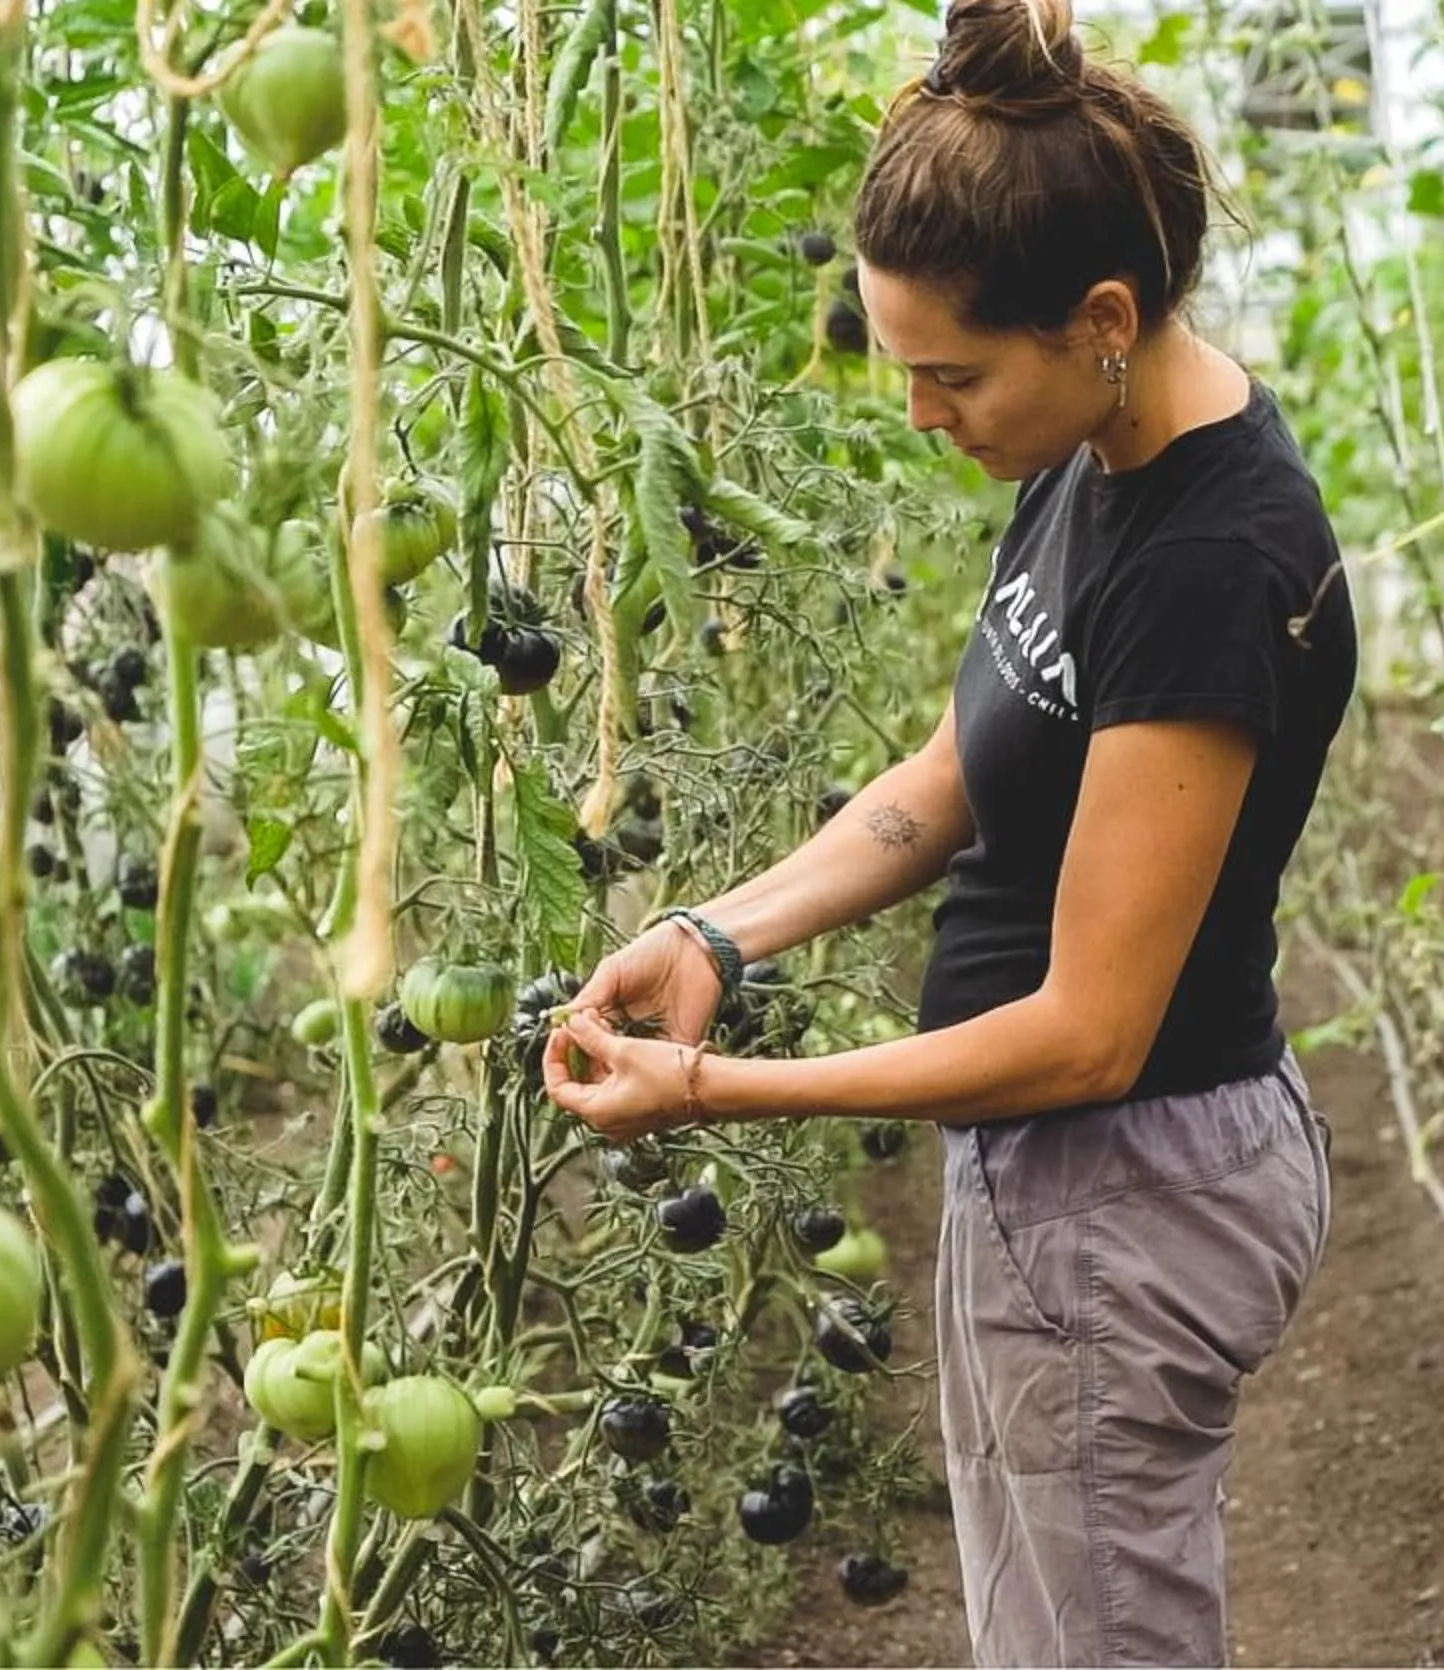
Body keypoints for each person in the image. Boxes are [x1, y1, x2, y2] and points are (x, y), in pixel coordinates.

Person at [541, 1, 1356, 1661]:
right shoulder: (1091, 446)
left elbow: (1084, 1031)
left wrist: (718, 1093)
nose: (923, 412)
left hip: (1129, 1194)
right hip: (1060, 1187)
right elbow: (960, 766)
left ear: (1102, 320)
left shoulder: (1210, 555)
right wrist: (717, 932)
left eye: (951, 373)